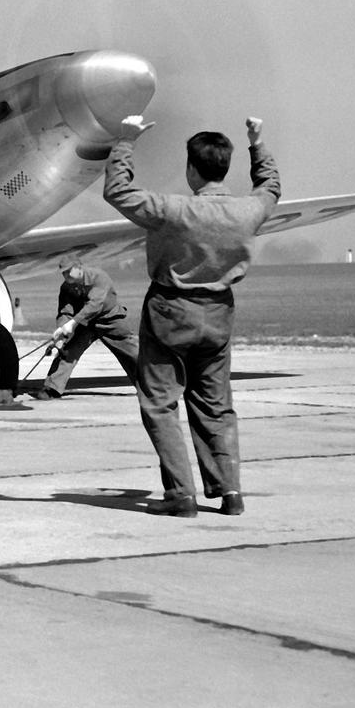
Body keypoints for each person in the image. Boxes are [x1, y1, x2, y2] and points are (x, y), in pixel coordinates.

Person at [104, 115, 280, 517]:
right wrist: (257, 141)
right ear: (224, 167)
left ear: (191, 168)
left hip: (169, 310)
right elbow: (271, 186)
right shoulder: (248, 211)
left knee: (160, 404)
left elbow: (117, 190)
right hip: (218, 313)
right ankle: (230, 492)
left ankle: (181, 495)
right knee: (216, 406)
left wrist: (126, 140)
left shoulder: (172, 209)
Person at [31, 256, 138, 400]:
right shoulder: (66, 287)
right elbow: (65, 311)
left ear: (79, 267)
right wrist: (61, 330)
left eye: (69, 271)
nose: (66, 275)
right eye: (63, 273)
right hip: (85, 324)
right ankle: (52, 388)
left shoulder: (99, 277)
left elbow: (95, 305)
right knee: (68, 352)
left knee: (131, 353)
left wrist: (73, 323)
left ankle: (150, 386)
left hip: (110, 320)